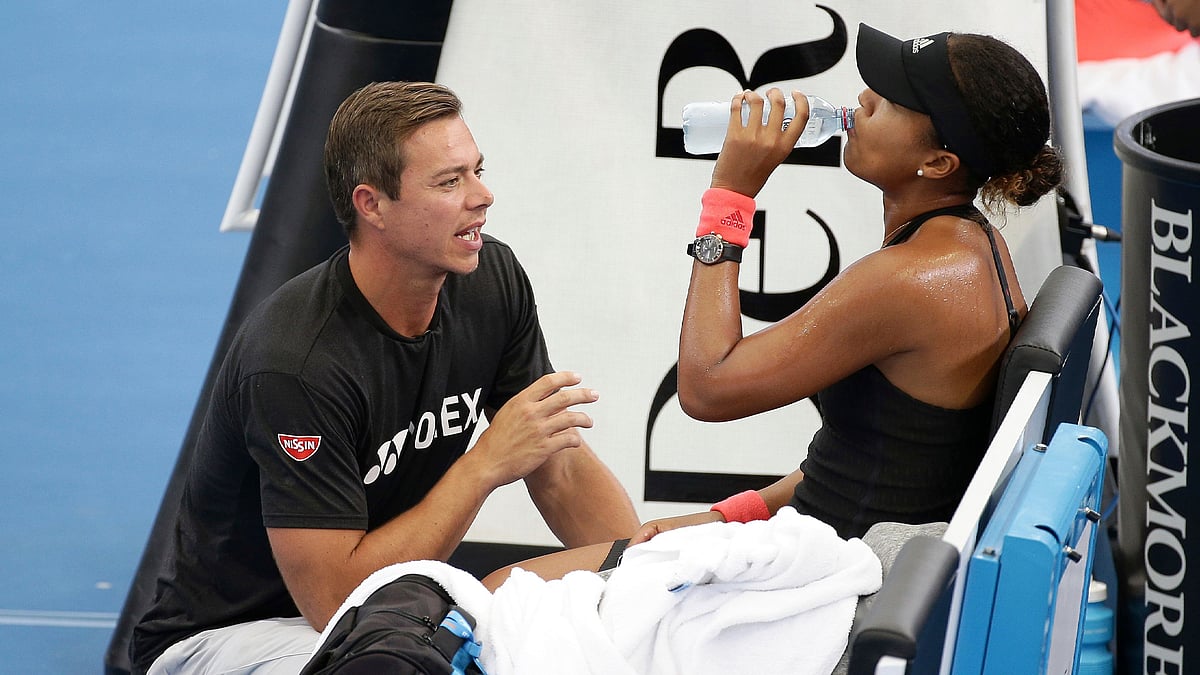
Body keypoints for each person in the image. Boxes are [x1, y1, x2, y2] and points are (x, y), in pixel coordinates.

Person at [482, 22, 1064, 590]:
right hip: (814, 546)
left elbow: (707, 387)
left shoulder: (914, 279)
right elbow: (875, 456)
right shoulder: (971, 247)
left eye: (888, 101)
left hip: (823, 585)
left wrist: (731, 196)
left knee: (504, 591)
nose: (862, 99)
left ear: (938, 164)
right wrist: (731, 515)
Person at [130, 81, 639, 674]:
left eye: (477, 172)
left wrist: (645, 577)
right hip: (232, 635)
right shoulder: (296, 364)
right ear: (371, 204)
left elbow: (558, 465)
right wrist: (483, 466)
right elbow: (333, 604)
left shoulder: (490, 279)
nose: (483, 196)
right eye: (449, 182)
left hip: (387, 613)